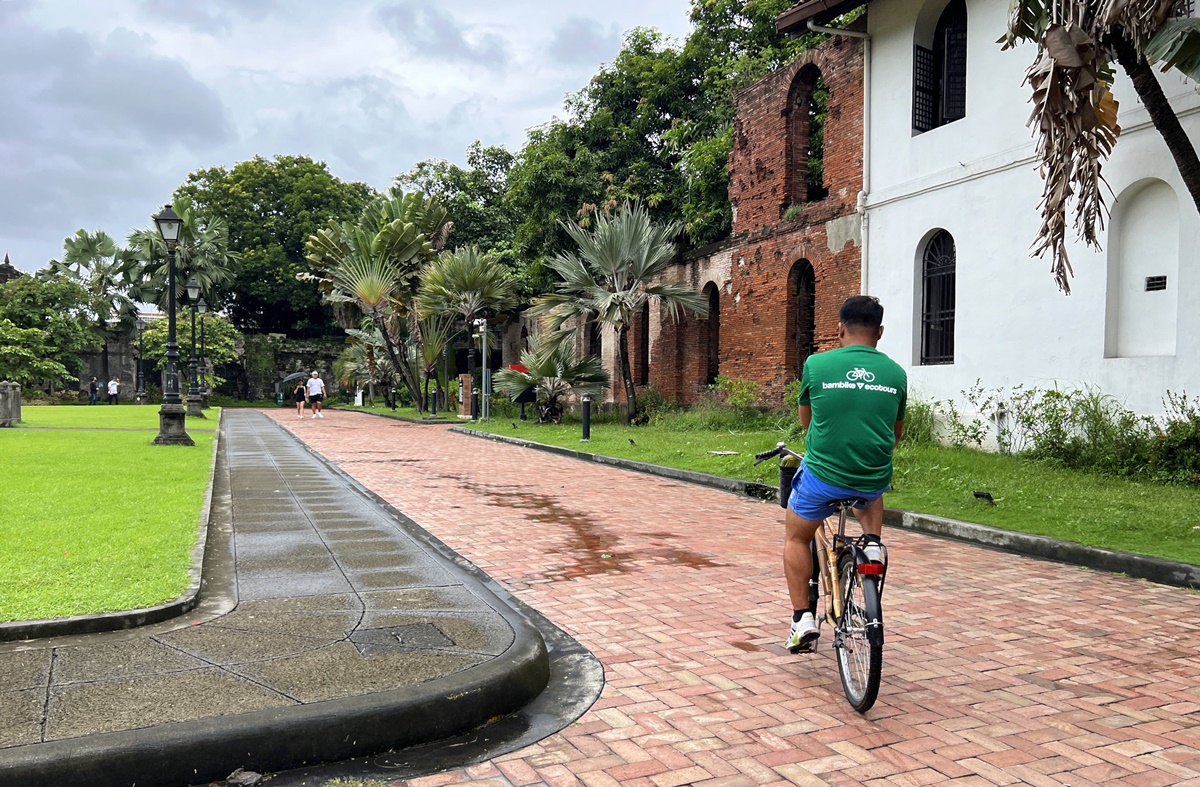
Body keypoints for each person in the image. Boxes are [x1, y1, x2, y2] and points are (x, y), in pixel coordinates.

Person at [784, 296, 907, 654]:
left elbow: (808, 421)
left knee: (795, 536)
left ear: (840, 329)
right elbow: (894, 436)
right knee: (870, 489)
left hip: (824, 476)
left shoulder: (816, 364)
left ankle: (801, 620)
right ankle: (872, 544)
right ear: (880, 332)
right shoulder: (896, 373)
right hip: (872, 476)